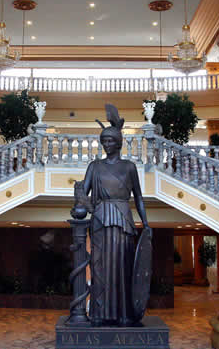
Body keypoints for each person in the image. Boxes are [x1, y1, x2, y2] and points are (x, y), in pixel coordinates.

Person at [82, 104, 151, 327]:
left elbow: (138, 197)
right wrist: (85, 205)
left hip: (123, 219)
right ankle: (99, 314)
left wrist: (145, 223)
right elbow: (83, 192)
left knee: (123, 266)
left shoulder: (129, 167)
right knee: (99, 266)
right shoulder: (94, 166)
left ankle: (124, 314)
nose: (107, 144)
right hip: (100, 219)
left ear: (119, 142)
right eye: (104, 141)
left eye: (110, 140)